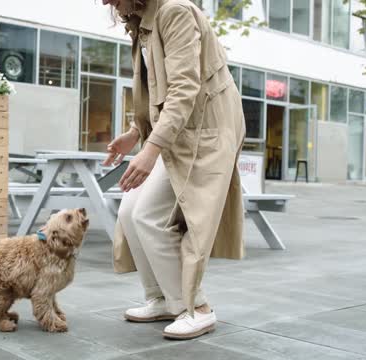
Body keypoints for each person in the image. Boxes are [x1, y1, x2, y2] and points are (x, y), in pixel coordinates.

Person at [101, 0, 246, 340]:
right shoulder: (141, 21)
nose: (106, 1)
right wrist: (135, 133)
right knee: (129, 212)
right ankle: (163, 299)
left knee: (149, 215)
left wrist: (150, 150)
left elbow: (184, 88)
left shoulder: (174, 11)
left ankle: (196, 308)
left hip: (204, 131)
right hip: (180, 130)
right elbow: (154, 91)